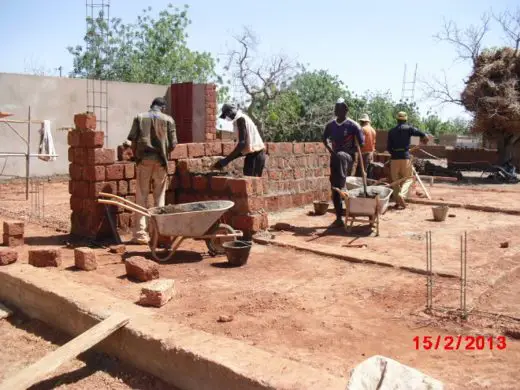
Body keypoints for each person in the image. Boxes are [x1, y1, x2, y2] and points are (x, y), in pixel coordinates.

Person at [125, 97, 177, 244]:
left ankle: (141, 235)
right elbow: (173, 144)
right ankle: (158, 234)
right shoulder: (169, 120)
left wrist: (137, 157)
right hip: (161, 162)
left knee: (141, 196)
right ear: (163, 107)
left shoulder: (140, 117)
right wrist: (163, 152)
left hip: (144, 160)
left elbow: (132, 141)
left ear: (151, 106)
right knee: (159, 197)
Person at [323, 98, 365, 227]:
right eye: (336, 108)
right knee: (334, 186)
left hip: (348, 158)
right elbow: (324, 138)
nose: (336, 110)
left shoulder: (353, 125)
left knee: (341, 157)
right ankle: (338, 217)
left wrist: (350, 150)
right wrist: (330, 150)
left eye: (339, 108)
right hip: (335, 158)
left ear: (346, 110)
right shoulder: (331, 125)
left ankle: (341, 184)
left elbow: (361, 143)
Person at [387, 111, 428, 209]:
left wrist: (395, 154)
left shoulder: (391, 131)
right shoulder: (409, 129)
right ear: (406, 119)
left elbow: (388, 148)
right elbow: (421, 133)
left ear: (397, 120)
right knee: (409, 178)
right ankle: (402, 196)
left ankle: (398, 201)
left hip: (394, 158)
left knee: (396, 181)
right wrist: (424, 138)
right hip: (405, 157)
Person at [212, 103, 266, 177]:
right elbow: (243, 148)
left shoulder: (240, 119)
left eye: (226, 115)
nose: (227, 117)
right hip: (254, 155)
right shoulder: (243, 118)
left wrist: (226, 160)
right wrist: (227, 160)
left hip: (255, 156)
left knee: (250, 183)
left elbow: (241, 144)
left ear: (230, 112)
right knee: (250, 183)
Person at [357, 113, 377, 179]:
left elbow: (361, 142)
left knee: (362, 172)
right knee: (370, 172)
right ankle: (369, 186)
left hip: (363, 154)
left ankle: (362, 187)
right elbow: (374, 143)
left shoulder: (362, 129)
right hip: (371, 154)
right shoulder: (373, 130)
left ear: (362, 121)